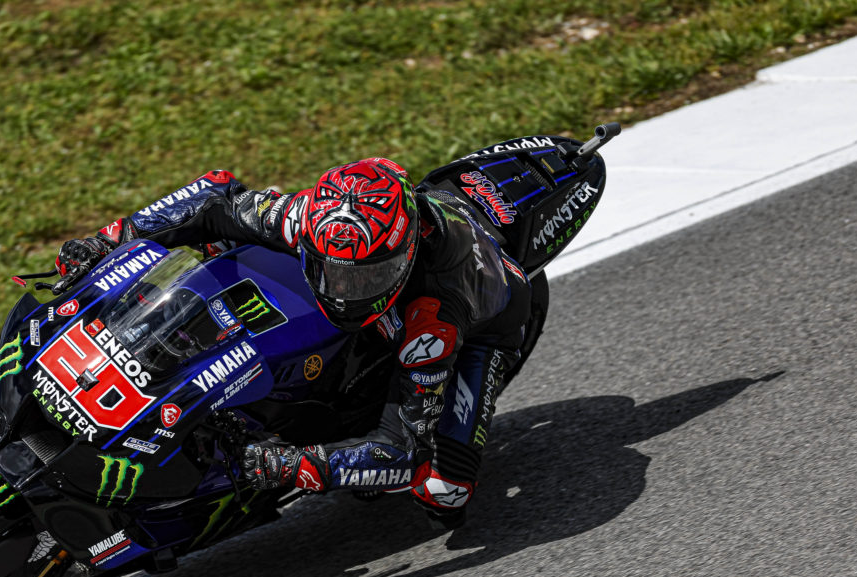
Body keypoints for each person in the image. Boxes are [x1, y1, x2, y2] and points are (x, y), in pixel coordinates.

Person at [53, 158, 534, 529]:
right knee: (223, 245)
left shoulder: (435, 318)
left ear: (405, 255)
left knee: (444, 490)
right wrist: (110, 240)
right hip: (396, 279)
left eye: (367, 277)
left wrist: (292, 464)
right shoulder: (306, 217)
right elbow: (213, 199)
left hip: (486, 327)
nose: (343, 289)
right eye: (332, 270)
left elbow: (403, 452)